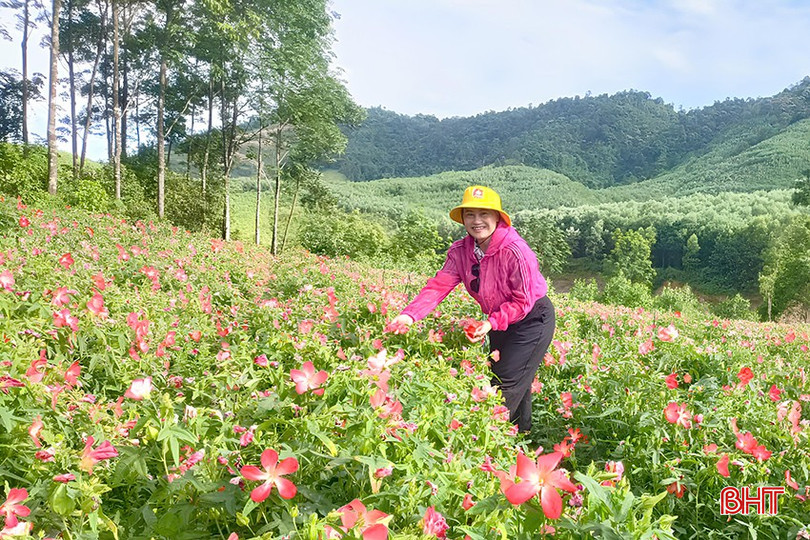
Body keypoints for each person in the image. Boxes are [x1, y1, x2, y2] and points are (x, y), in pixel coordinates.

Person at [390, 185, 555, 433]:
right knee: (508, 377)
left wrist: (490, 323)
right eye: (470, 215)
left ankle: (486, 441)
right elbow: (438, 286)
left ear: (497, 217)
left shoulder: (515, 251)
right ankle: (521, 437)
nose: (477, 221)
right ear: (463, 219)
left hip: (532, 319)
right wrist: (409, 315)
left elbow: (523, 301)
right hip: (498, 320)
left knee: (503, 385)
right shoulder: (461, 251)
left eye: (484, 214)